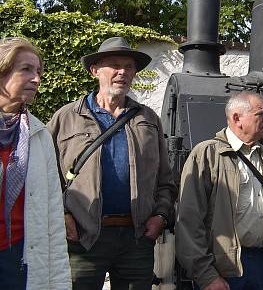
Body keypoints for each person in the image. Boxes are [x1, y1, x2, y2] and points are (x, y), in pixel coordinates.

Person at [48, 36, 176, 289]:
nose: (123, 72)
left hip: (136, 239)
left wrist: (160, 216)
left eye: (129, 67)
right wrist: (62, 215)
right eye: (115, 65)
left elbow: (165, 179)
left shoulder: (147, 119)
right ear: (95, 71)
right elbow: (47, 176)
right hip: (83, 238)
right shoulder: (67, 117)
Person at [176, 91, 263, 290]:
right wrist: (207, 276)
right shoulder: (206, 154)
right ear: (237, 118)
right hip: (222, 268)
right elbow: (188, 221)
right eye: (260, 114)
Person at [0, 37, 70, 289]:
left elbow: (52, 217)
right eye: (26, 69)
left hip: (21, 259)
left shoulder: (38, 135)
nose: (37, 79)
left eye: (38, 71)